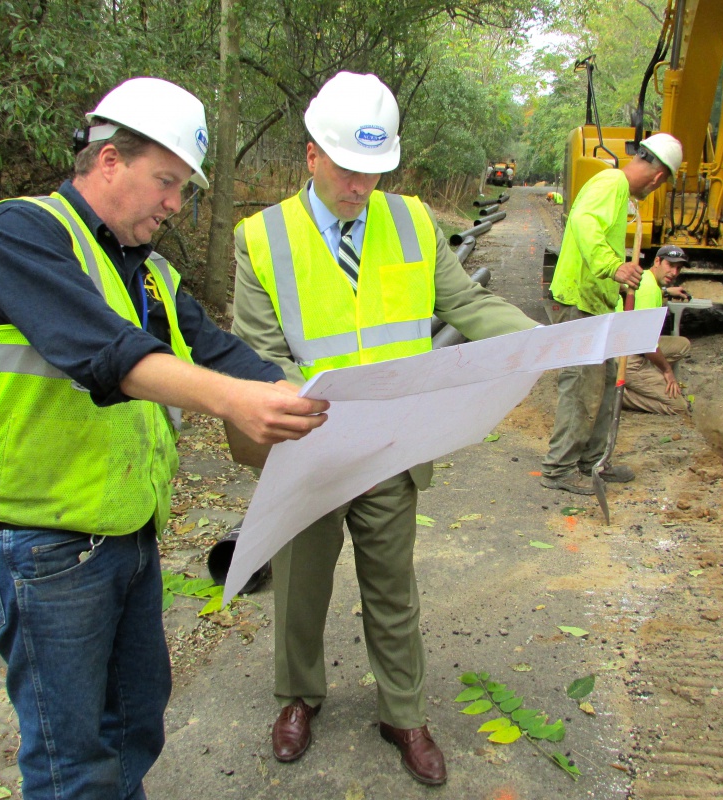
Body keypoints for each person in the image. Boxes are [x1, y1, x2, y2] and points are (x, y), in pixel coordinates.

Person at [0, 77, 329, 800]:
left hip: (126, 534)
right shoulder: (15, 234)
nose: (176, 204)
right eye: (167, 181)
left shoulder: (148, 273)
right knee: (71, 762)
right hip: (41, 544)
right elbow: (106, 353)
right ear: (110, 159)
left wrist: (312, 400)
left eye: (182, 187)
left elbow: (219, 350)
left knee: (135, 726)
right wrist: (236, 404)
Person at [231, 71, 539, 787]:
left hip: (393, 449)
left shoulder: (413, 222)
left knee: (393, 591)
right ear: (312, 154)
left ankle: (403, 712)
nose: (360, 185)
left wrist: (540, 341)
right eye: (346, 168)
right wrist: (308, 415)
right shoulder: (261, 238)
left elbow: (466, 305)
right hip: (309, 450)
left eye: (373, 170)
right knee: (299, 590)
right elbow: (259, 352)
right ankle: (298, 697)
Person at [540, 133, 682, 495]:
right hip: (579, 304)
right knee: (581, 388)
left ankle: (591, 462)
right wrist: (613, 267)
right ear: (658, 178)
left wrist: (614, 285)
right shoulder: (612, 182)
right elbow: (585, 222)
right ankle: (559, 469)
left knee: (602, 386)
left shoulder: (619, 191)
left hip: (596, 304)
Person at [623, 245, 692, 415]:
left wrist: (666, 291)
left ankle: (649, 378)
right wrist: (667, 371)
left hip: (632, 344)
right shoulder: (649, 291)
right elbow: (646, 343)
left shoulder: (646, 278)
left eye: (678, 268)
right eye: (670, 265)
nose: (674, 272)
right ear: (657, 261)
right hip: (625, 356)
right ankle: (615, 393)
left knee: (682, 345)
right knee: (679, 407)